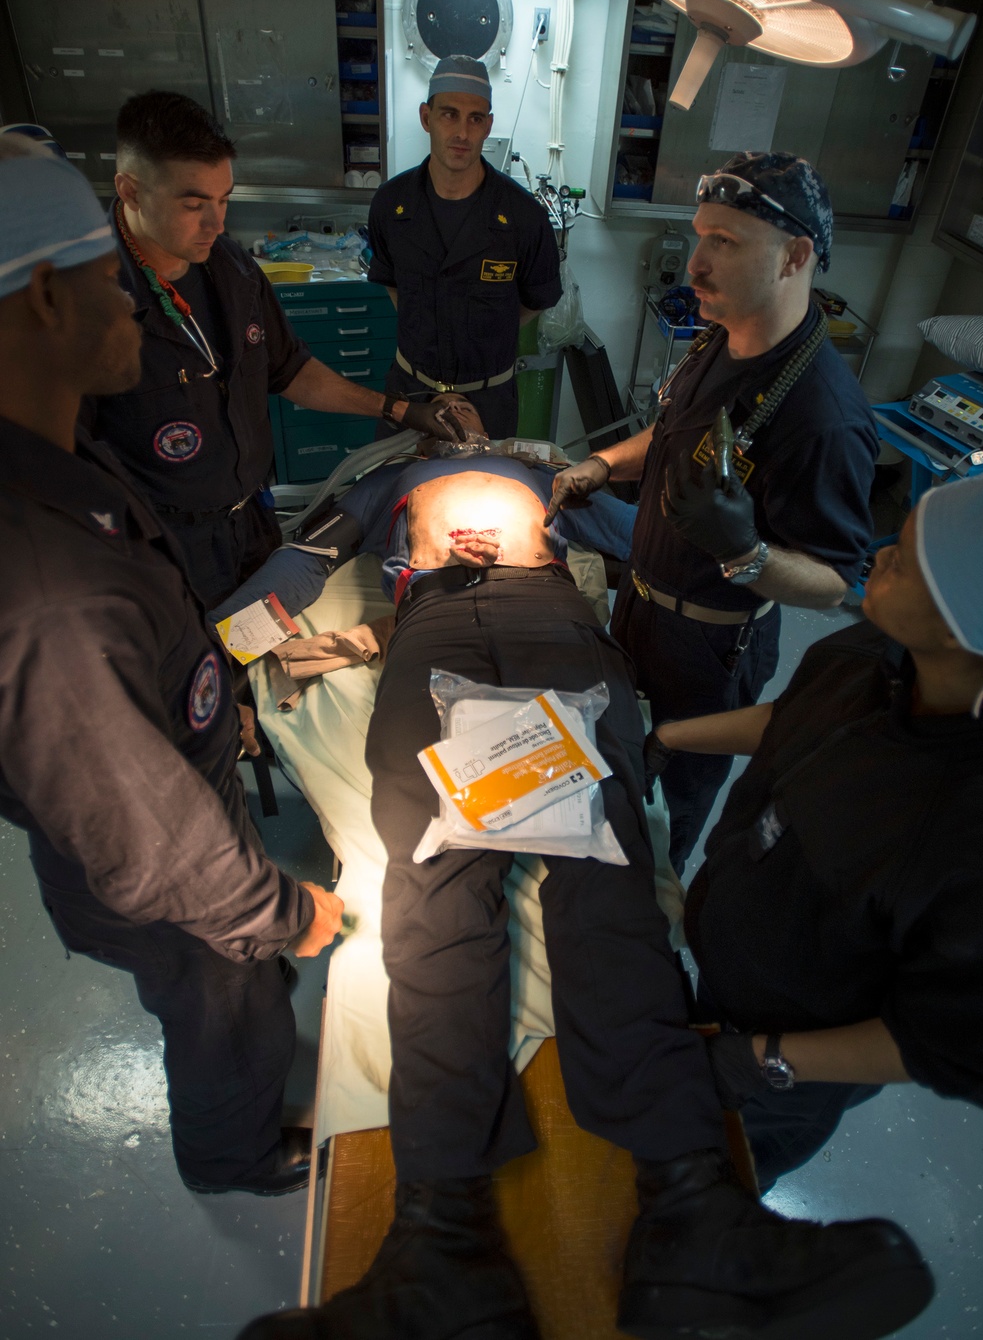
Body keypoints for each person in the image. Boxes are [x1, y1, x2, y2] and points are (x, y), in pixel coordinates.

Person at [237, 405, 932, 1340]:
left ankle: (690, 1212)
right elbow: (307, 563)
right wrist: (232, 651)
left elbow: (649, 537)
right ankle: (442, 1241)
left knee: (606, 880)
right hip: (431, 626)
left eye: (469, 412)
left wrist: (727, 551)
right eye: (438, 417)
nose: (458, 415)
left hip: (556, 620)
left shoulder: (550, 476)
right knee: (434, 902)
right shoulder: (390, 480)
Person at [0, 135, 346, 1197]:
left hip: (174, 799)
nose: (134, 306)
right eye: (114, 277)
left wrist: (207, 697)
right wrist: (294, 914)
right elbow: (150, 842)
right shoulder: (50, 586)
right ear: (49, 295)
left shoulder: (57, 459)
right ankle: (233, 1157)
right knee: (225, 1009)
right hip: (169, 890)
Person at [648, 474, 983, 1195]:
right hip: (724, 976)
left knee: (704, 1187)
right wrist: (670, 738)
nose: (876, 556)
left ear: (966, 623)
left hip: (793, 1057)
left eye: (903, 561)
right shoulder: (878, 653)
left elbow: (933, 1038)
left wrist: (763, 1060)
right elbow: (797, 720)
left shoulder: (972, 827)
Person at [547, 151, 880, 873]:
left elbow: (834, 584)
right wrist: (604, 464)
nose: (694, 265)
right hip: (639, 607)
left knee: (669, 809)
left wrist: (748, 553)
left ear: (796, 256)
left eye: (723, 243)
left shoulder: (825, 418)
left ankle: (646, 931)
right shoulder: (719, 339)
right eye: (699, 236)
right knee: (616, 764)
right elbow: (669, 431)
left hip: (709, 652)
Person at [81, 90, 462, 611]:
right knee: (196, 672)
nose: (216, 224)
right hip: (164, 551)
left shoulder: (231, 270)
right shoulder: (86, 309)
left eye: (224, 200)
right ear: (131, 191)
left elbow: (291, 370)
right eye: (194, 205)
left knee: (253, 652)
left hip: (250, 528)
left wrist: (400, 409)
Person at [366, 55, 563, 440]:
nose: (462, 132)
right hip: (411, 396)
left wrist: (485, 331)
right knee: (395, 493)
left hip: (489, 402)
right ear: (426, 117)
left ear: (488, 125)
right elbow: (395, 285)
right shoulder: (391, 205)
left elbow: (536, 300)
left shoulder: (523, 216)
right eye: (449, 115)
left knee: (486, 496)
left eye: (475, 119)